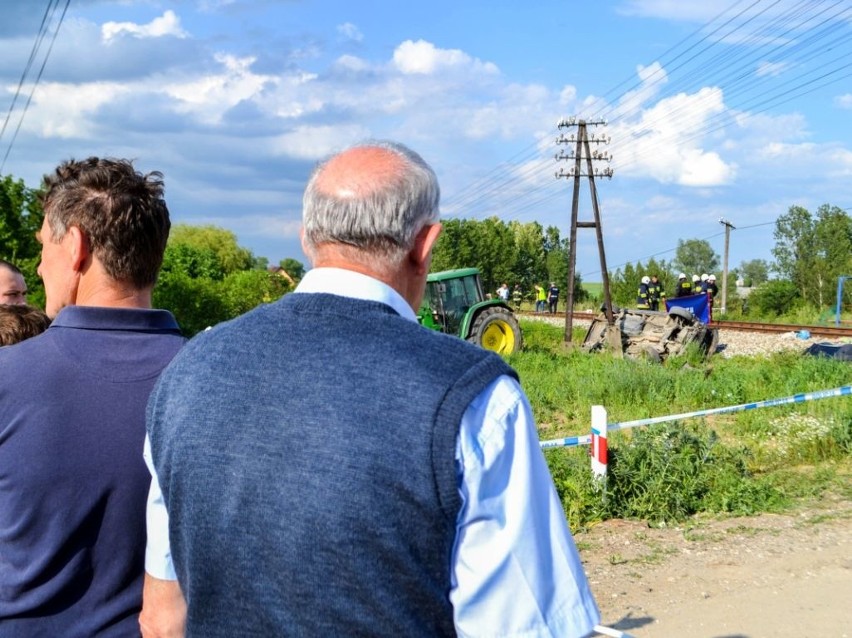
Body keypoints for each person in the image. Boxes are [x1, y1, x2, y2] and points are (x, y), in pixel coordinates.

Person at [142, 141, 600, 637]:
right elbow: (527, 628)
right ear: (425, 245)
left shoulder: (187, 373)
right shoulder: (476, 401)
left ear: (306, 239)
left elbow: (163, 620)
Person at [0, 157, 185, 636]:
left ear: (77, 246)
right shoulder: (213, 380)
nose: (39, 266)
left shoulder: (7, 377)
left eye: (44, 247)